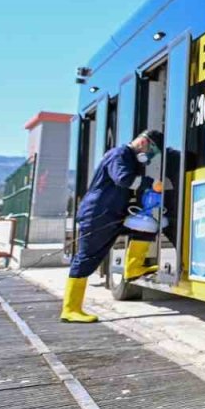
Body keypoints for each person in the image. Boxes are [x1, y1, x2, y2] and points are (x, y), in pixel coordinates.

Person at [60, 130, 163, 323]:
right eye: (152, 151)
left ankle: (134, 268)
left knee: (146, 226)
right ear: (143, 142)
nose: (150, 156)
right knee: (87, 258)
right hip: (98, 215)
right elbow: (122, 179)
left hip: (114, 215)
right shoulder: (119, 154)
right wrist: (151, 184)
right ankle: (70, 309)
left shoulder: (132, 160)